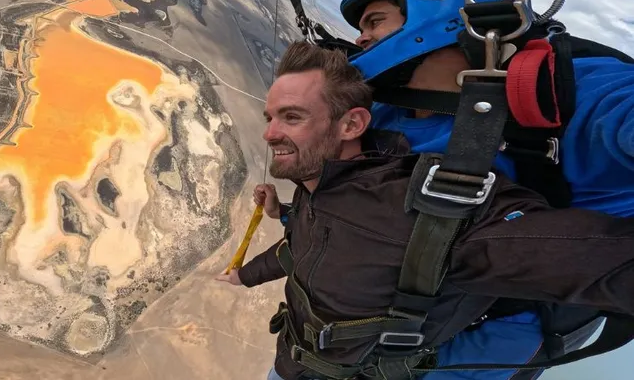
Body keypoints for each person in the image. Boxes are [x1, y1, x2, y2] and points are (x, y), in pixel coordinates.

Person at [215, 41, 634, 380]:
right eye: (270, 117)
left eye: (291, 117)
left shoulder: (428, 211)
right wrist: (252, 263)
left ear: (351, 125)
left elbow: (591, 264)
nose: (270, 133)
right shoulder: (321, 183)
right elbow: (309, 246)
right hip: (293, 366)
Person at [317, 0, 634, 379]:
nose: (362, 38)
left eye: (375, 21)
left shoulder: (561, 92)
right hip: (370, 317)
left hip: (493, 333)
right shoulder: (385, 112)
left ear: (438, 18)